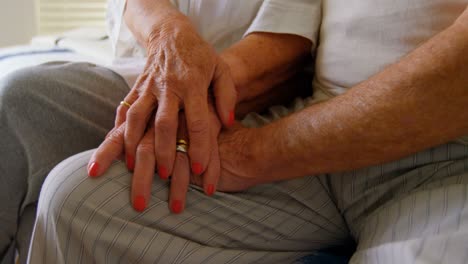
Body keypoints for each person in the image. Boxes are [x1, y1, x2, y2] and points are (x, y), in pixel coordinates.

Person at [26, 0, 468, 263]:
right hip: (315, 121)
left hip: (441, 152)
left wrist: (251, 151)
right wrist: (181, 67)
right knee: (76, 197)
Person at [1, 1, 299, 263]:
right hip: (147, 65)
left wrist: (191, 92)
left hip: (240, 86)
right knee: (13, 103)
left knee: (57, 172)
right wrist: (168, 32)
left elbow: (292, 31)